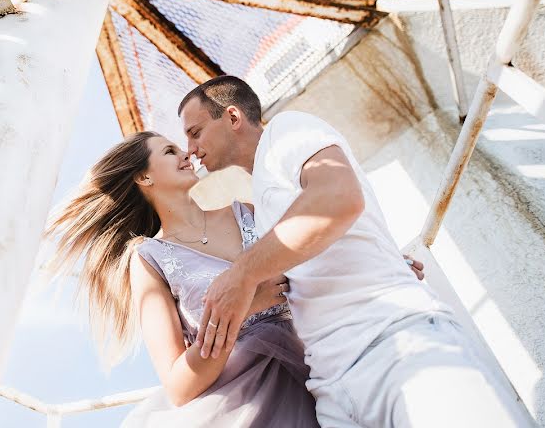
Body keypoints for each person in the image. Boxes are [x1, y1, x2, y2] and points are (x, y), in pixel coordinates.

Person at [179, 75, 525, 428]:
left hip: (394, 343)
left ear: (233, 118)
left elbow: (338, 198)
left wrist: (241, 274)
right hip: (332, 392)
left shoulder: (286, 130)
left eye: (195, 132)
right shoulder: (263, 201)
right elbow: (309, 251)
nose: (190, 149)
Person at [45, 131, 320, 427]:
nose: (186, 154)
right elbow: (178, 386)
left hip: (314, 365)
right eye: (169, 151)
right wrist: (242, 307)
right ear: (144, 177)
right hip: (239, 407)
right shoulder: (149, 258)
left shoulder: (248, 212)